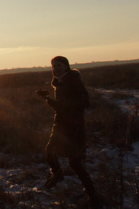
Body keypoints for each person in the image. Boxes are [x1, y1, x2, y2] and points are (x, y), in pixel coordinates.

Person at [36, 56, 101, 205]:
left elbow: (85, 102)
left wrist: (59, 104)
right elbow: (60, 106)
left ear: (66, 66)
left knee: (74, 162)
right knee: (50, 152)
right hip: (60, 125)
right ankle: (58, 175)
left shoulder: (73, 81)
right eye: (53, 66)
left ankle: (92, 194)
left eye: (59, 65)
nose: (56, 68)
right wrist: (48, 98)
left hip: (73, 127)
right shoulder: (59, 82)